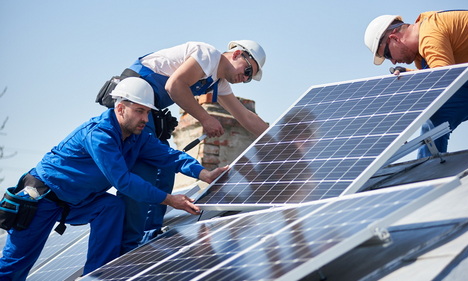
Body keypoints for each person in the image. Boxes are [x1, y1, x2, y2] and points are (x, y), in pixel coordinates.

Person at [0, 77, 227, 280]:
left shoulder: (138, 138)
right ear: (120, 109)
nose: (144, 118)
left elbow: (169, 156)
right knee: (14, 267)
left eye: (147, 112)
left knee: (111, 206)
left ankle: (98, 275)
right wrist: (168, 199)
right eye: (139, 111)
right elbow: (124, 181)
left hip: (77, 202)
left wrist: (204, 173)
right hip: (42, 199)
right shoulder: (99, 135)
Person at [97, 40, 270, 253]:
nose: (245, 79)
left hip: (150, 109)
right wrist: (205, 118)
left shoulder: (218, 82)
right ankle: (130, 245)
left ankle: (150, 238)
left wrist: (280, 137)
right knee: (146, 172)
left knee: (165, 172)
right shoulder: (207, 55)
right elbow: (174, 86)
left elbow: (245, 117)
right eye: (248, 71)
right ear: (236, 54)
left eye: (249, 79)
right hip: (135, 103)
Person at [364, 10, 468, 158]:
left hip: (465, 78)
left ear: (394, 38)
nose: (393, 62)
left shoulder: (429, 34)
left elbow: (445, 80)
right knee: (437, 115)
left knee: (436, 105)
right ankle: (430, 170)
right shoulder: (420, 53)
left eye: (388, 55)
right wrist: (410, 76)